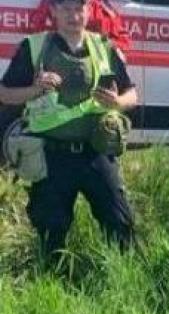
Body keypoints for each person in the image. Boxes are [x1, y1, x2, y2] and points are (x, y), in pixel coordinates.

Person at [0, 0, 137, 256]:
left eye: (79, 8)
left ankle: (124, 281)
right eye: (65, 9)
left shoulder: (104, 47)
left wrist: (117, 102)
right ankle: (52, 287)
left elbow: (132, 95)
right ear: (53, 11)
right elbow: (5, 94)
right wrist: (35, 89)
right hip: (52, 155)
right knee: (51, 234)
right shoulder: (34, 47)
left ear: (88, 10)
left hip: (95, 152)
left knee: (120, 225)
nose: (73, 15)